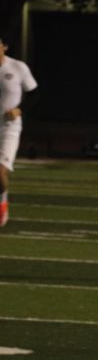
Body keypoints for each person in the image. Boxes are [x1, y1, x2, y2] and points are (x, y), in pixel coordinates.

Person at [0, 33, 40, 228]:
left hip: (9, 128)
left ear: (5, 46)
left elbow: (34, 94)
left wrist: (19, 109)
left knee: (0, 174)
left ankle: (2, 204)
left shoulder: (17, 67)